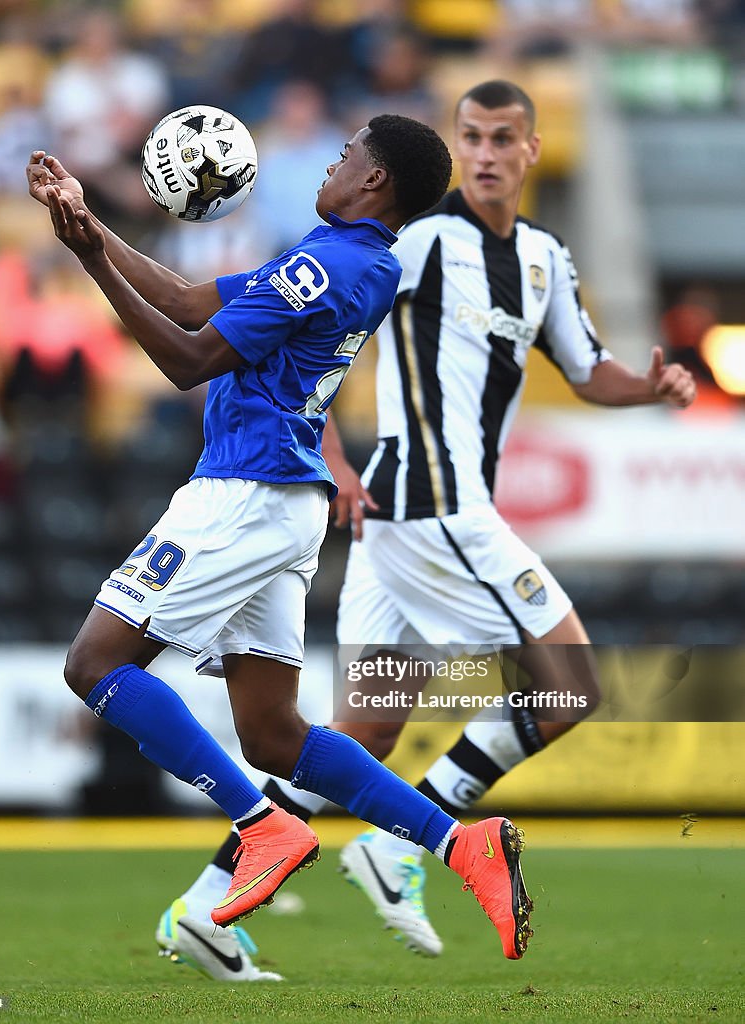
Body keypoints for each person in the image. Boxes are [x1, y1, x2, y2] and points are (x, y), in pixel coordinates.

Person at [160, 80, 697, 981]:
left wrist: (652, 386)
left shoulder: (544, 259)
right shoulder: (414, 241)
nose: (486, 153)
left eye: (504, 139)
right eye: (472, 137)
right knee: (569, 682)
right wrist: (322, 446)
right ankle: (408, 839)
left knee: (356, 734)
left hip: (399, 529)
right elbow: (310, 330)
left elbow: (587, 367)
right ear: (457, 146)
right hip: (429, 504)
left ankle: (205, 908)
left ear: (533, 152)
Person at [25, 112, 534, 981]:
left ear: (374, 181)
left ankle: (260, 826)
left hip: (243, 491)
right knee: (274, 733)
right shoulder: (354, 258)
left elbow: (189, 357)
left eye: (345, 156)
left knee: (94, 664)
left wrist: (86, 261)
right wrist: (90, 223)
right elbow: (190, 300)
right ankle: (459, 843)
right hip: (284, 496)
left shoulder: (327, 261)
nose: (330, 165)